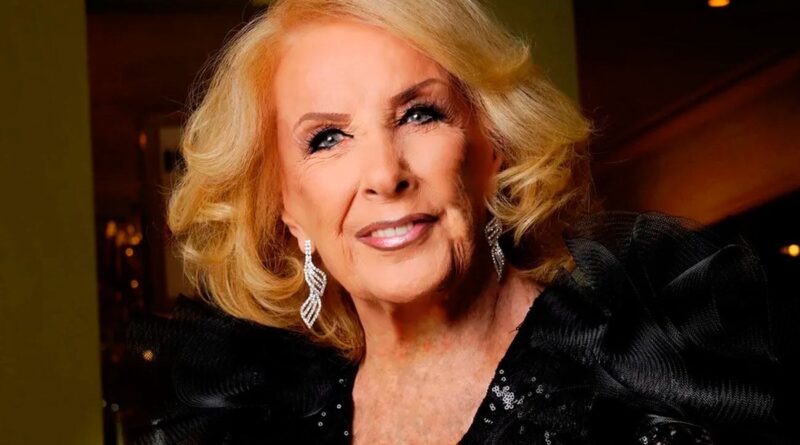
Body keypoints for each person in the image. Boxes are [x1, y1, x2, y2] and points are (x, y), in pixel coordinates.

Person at [126, 0, 797, 443]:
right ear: (286, 206)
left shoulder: (651, 371)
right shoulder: (260, 421)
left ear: (491, 146)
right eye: (328, 138)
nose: (384, 173)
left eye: (420, 114)